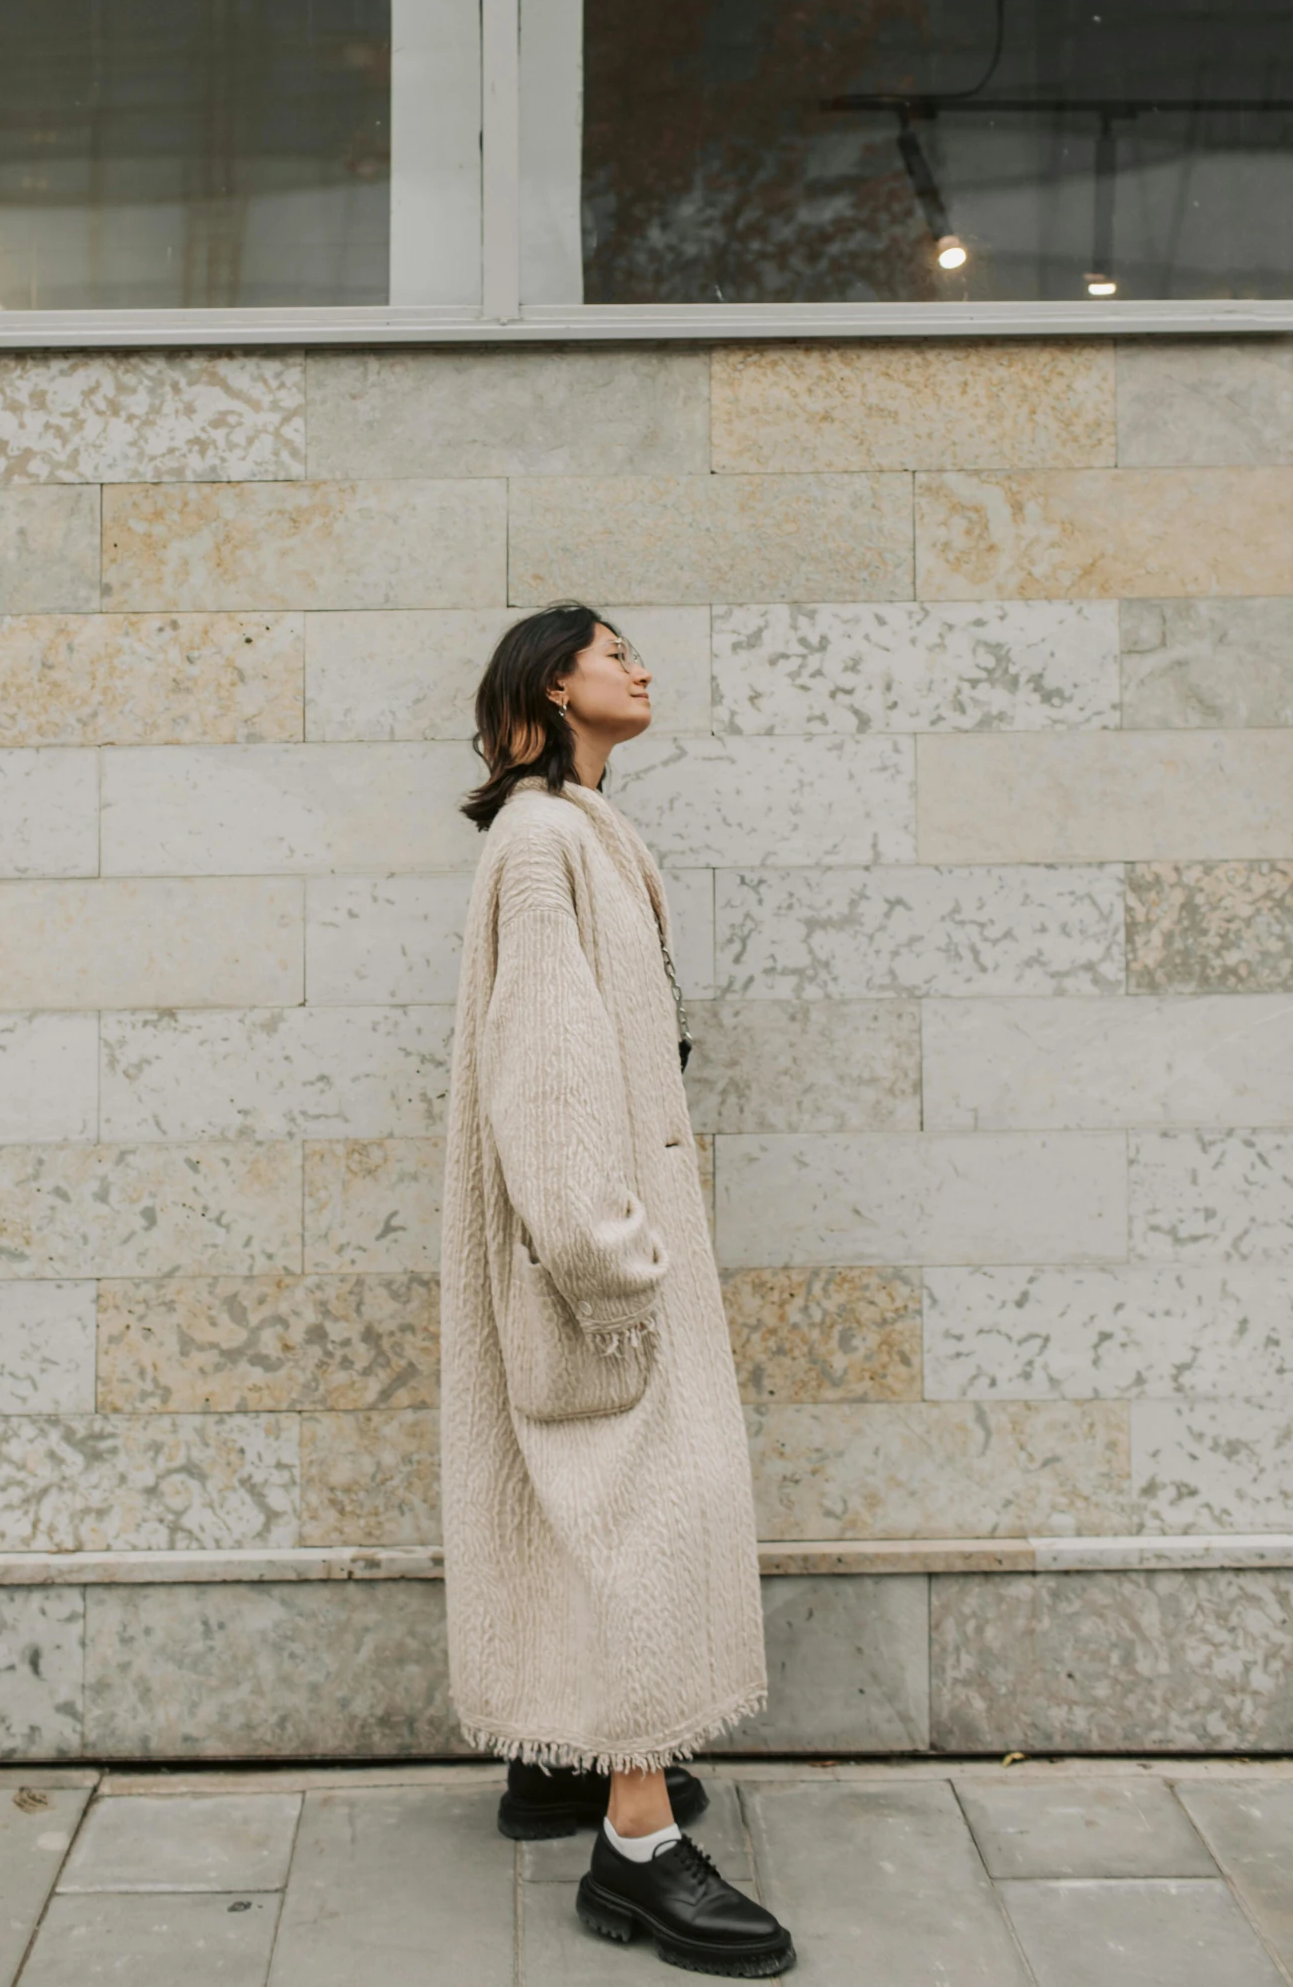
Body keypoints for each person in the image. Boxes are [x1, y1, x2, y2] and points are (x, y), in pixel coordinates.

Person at [441, 603, 796, 1977]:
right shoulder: (542, 845)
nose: (640, 668)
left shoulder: (580, 831)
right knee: (643, 1509)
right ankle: (635, 1845)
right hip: (592, 1248)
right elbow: (546, 1067)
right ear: (553, 683)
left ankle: (557, 1764)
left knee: (589, 1499)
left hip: (612, 1229)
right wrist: (605, 1257)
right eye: (612, 651)